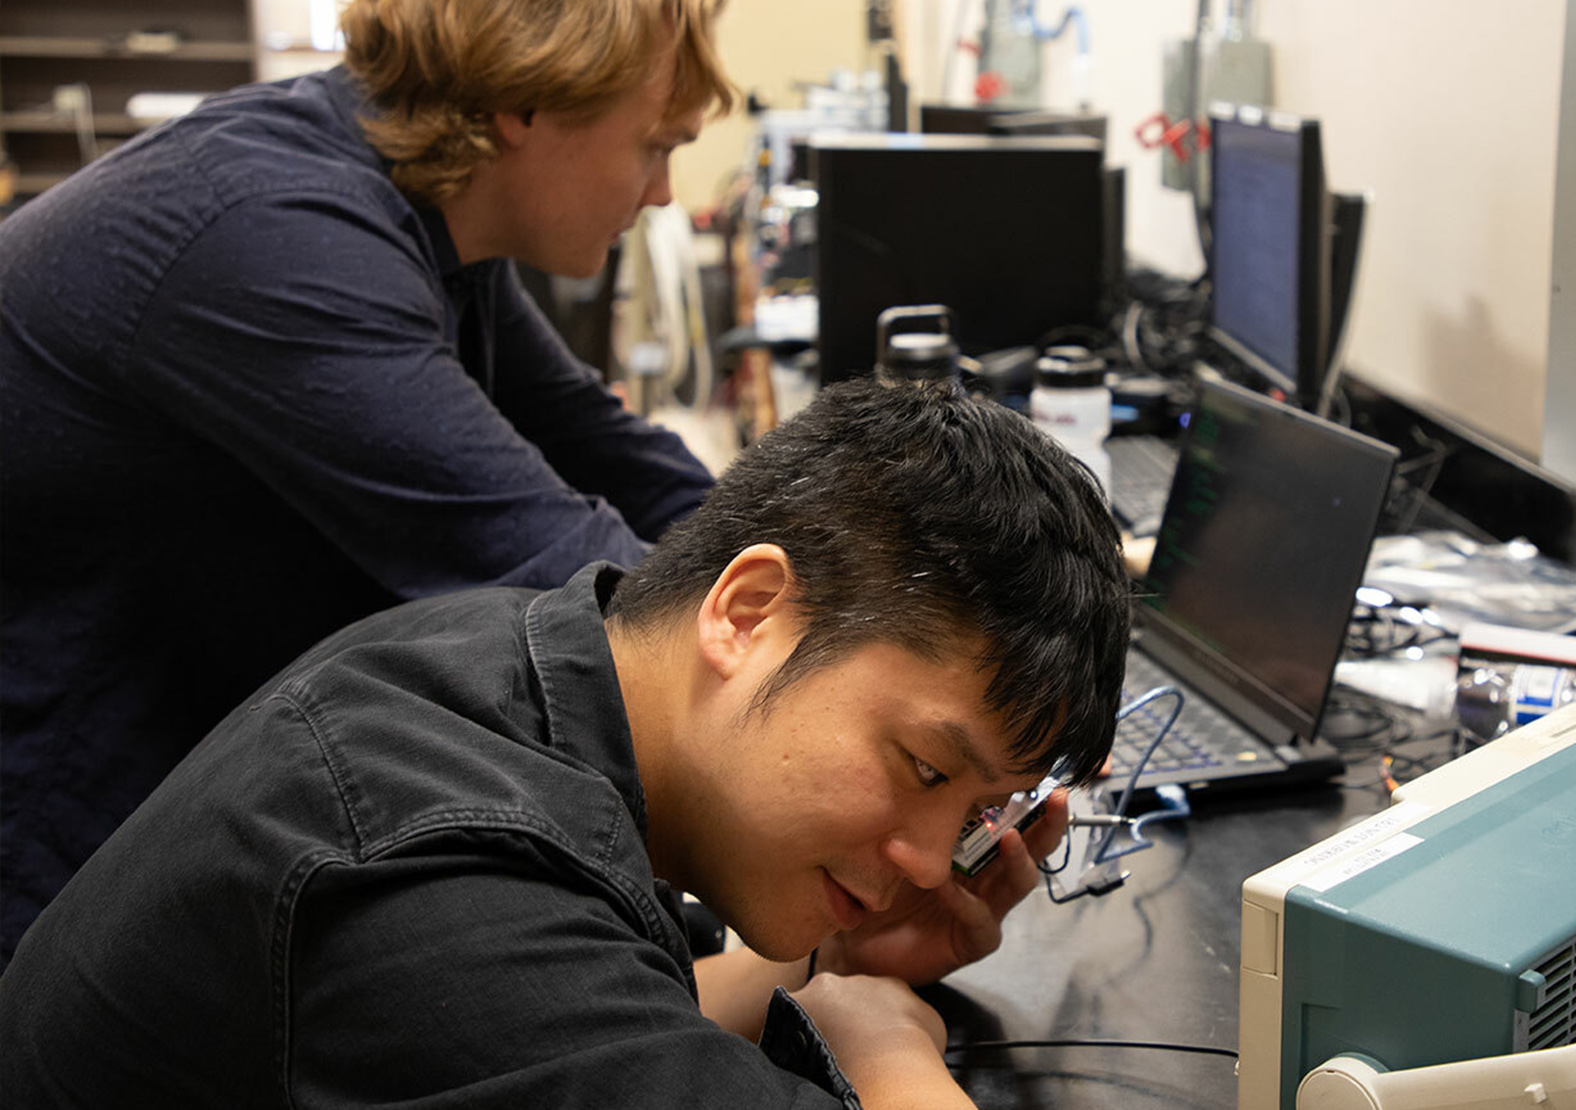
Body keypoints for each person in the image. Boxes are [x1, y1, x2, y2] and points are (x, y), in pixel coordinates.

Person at [0, 378, 1133, 1108]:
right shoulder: (431, 865)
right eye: (925, 769)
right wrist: (881, 1042)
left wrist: (817, 965)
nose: (935, 863)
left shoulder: (504, 662)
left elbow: (583, 1020)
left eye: (976, 812)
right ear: (746, 613)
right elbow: (505, 980)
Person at [0, 0, 733, 959]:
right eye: (655, 145)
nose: (662, 195)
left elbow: (608, 450)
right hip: (63, 789)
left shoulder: (419, 202)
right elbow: (555, 570)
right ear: (528, 105)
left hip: (181, 710)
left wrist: (821, 579)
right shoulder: (277, 237)